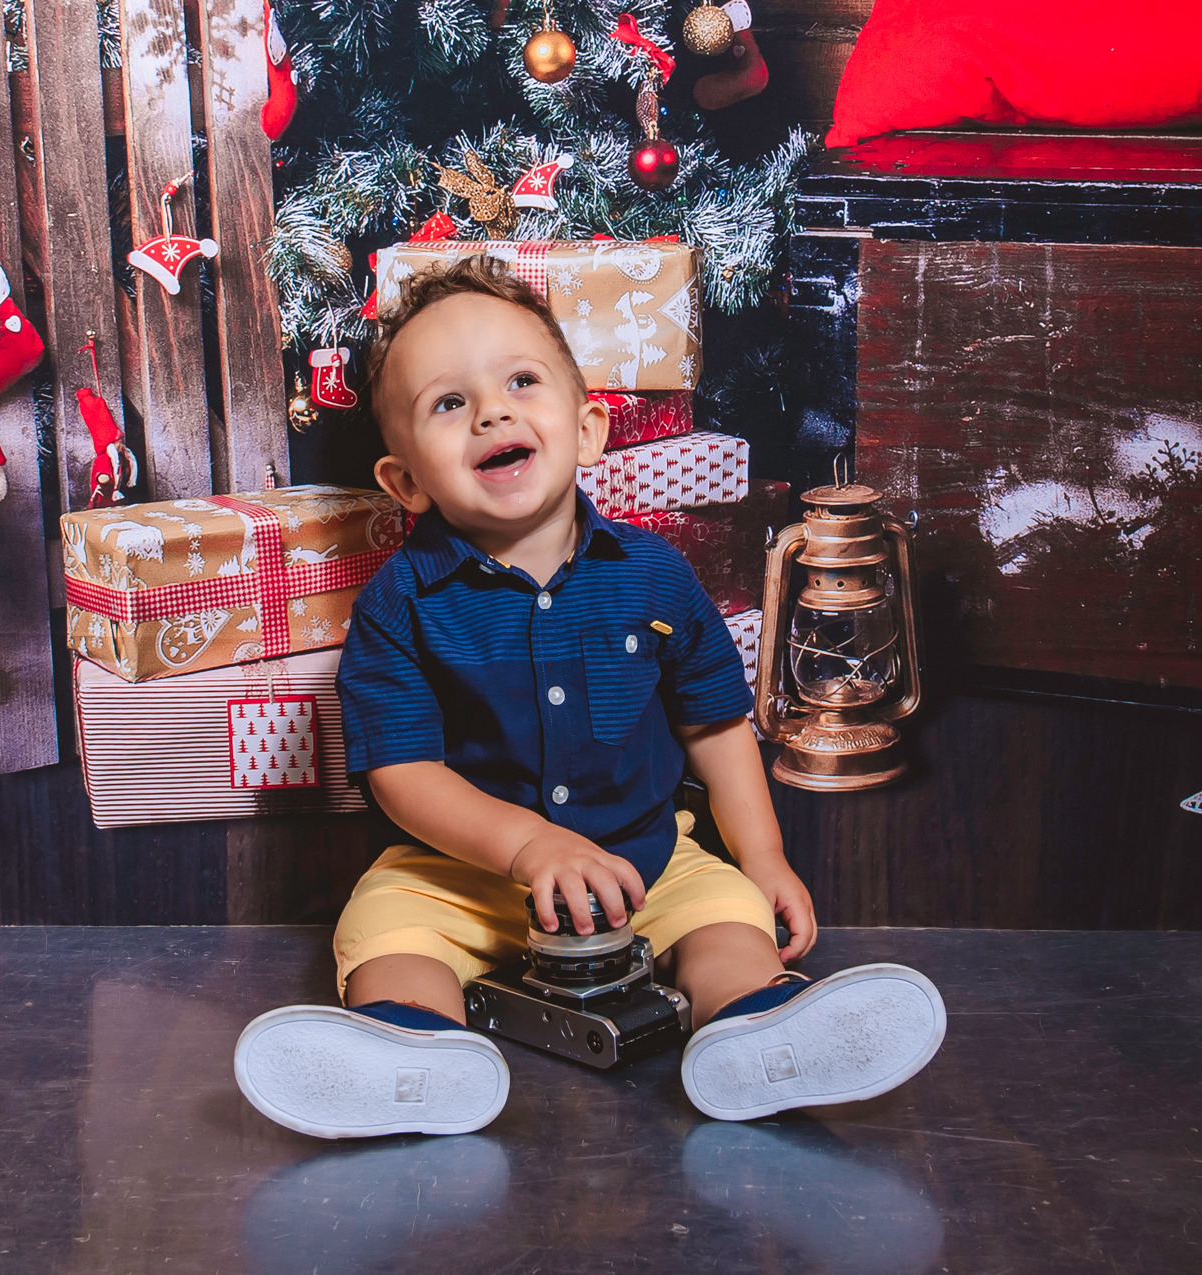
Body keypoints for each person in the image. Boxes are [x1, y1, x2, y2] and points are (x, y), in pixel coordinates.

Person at [233, 256, 945, 1137]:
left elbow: (716, 725)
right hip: (460, 874)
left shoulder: (655, 575)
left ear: (588, 428)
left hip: (643, 858)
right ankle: (409, 1044)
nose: (492, 412)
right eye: (448, 403)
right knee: (386, 925)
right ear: (406, 481)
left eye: (521, 382)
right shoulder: (398, 604)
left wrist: (763, 858)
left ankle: (757, 1025)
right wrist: (529, 845)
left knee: (726, 914)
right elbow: (403, 774)